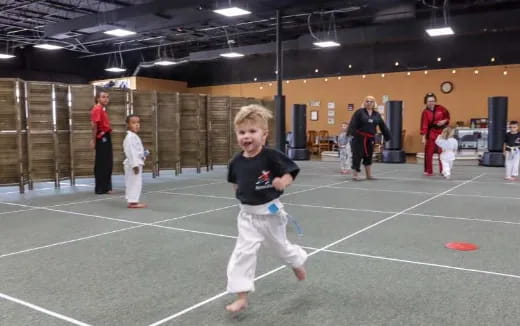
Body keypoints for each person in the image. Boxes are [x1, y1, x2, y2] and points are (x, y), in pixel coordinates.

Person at [225, 104, 307, 313]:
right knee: (243, 253)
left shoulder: (271, 156)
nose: (247, 136)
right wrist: (242, 197)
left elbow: (290, 171)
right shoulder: (236, 161)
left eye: (253, 131)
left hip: (270, 213)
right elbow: (235, 183)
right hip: (247, 216)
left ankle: (296, 262)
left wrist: (283, 181)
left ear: (264, 134)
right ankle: (241, 295)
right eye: (242, 132)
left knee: (280, 248)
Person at [347, 96, 391, 180]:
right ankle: (355, 175)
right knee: (357, 155)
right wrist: (350, 134)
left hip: (370, 138)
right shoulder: (359, 112)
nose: (369, 103)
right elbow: (353, 123)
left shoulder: (376, 114)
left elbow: (383, 126)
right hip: (358, 138)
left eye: (371, 101)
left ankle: (368, 175)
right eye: (367, 101)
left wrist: (387, 136)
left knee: (369, 156)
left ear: (374, 103)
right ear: (364, 103)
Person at [420, 92, 450, 176]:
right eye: (429, 101)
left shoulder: (442, 109)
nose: (431, 102)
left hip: (441, 133)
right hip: (431, 133)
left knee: (442, 153)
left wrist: (444, 121)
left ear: (435, 101)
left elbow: (447, 117)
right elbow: (424, 125)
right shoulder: (425, 112)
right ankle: (428, 171)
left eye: (433, 101)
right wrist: (423, 137)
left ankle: (443, 170)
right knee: (429, 153)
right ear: (426, 102)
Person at [90, 91, 113, 194]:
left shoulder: (103, 109)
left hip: (106, 135)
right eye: (103, 97)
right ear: (98, 98)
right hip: (101, 137)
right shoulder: (97, 109)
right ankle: (100, 188)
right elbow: (94, 126)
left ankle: (106, 187)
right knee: (102, 163)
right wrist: (94, 140)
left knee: (107, 162)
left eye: (107, 97)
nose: (106, 99)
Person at [123, 115, 147, 208]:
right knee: (134, 183)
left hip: (136, 162)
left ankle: (132, 200)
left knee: (135, 183)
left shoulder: (134, 136)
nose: (137, 125)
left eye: (138, 123)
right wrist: (135, 165)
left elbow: (137, 151)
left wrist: (143, 155)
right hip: (133, 164)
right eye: (133, 123)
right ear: (128, 125)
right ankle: (133, 202)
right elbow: (130, 152)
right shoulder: (130, 137)